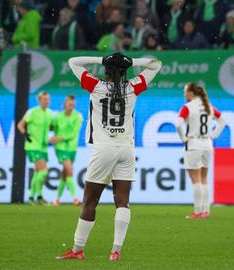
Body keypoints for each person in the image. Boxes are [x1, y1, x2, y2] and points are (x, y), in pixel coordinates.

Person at [56, 52, 162, 261]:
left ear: (105, 71)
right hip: (126, 148)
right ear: (125, 72)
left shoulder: (95, 86)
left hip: (103, 148)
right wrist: (133, 62)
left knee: (89, 203)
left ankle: (77, 250)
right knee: (122, 202)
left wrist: (100, 59)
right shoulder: (132, 87)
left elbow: (72, 62)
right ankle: (116, 250)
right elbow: (156, 65)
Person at [175, 83, 225, 219]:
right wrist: (213, 135)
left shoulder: (188, 107)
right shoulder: (208, 105)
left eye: (185, 91)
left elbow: (178, 124)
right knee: (204, 179)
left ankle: (197, 211)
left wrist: (183, 138)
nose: (184, 94)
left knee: (196, 180)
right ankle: (206, 210)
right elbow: (223, 121)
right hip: (207, 144)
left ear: (191, 93)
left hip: (193, 144)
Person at [17, 91, 54, 205]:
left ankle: (32, 197)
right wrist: (25, 134)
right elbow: (20, 125)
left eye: (48, 99)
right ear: (39, 100)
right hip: (33, 145)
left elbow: (51, 127)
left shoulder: (49, 113)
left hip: (43, 147)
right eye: (44, 99)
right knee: (44, 171)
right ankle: (39, 196)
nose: (46, 101)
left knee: (38, 172)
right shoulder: (32, 112)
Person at [51, 95, 83, 206]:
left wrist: (59, 137)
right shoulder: (58, 117)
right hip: (60, 148)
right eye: (70, 105)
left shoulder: (78, 116)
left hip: (72, 148)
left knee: (65, 174)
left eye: (73, 105)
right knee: (69, 170)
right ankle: (75, 198)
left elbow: (74, 133)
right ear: (65, 104)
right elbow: (52, 127)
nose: (71, 107)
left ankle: (57, 199)